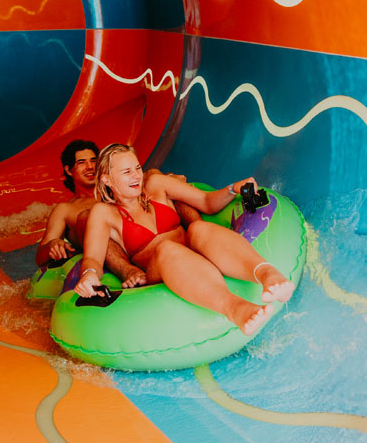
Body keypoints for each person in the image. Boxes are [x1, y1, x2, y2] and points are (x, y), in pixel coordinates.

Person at [75, 143, 295, 336]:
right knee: (166, 248)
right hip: (161, 269)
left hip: (196, 252)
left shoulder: (155, 185)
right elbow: (93, 258)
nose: (136, 176)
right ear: (107, 179)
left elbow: (207, 202)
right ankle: (237, 309)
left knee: (198, 228)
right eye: (126, 172)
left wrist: (232, 188)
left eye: (137, 168)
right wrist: (89, 276)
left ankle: (268, 274)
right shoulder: (104, 213)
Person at [35, 140, 146, 288]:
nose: (90, 167)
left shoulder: (119, 190)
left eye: (94, 161)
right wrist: (52, 245)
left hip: (138, 241)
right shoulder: (66, 209)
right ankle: (128, 271)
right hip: (105, 251)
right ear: (68, 170)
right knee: (88, 217)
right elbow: (40, 257)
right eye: (81, 162)